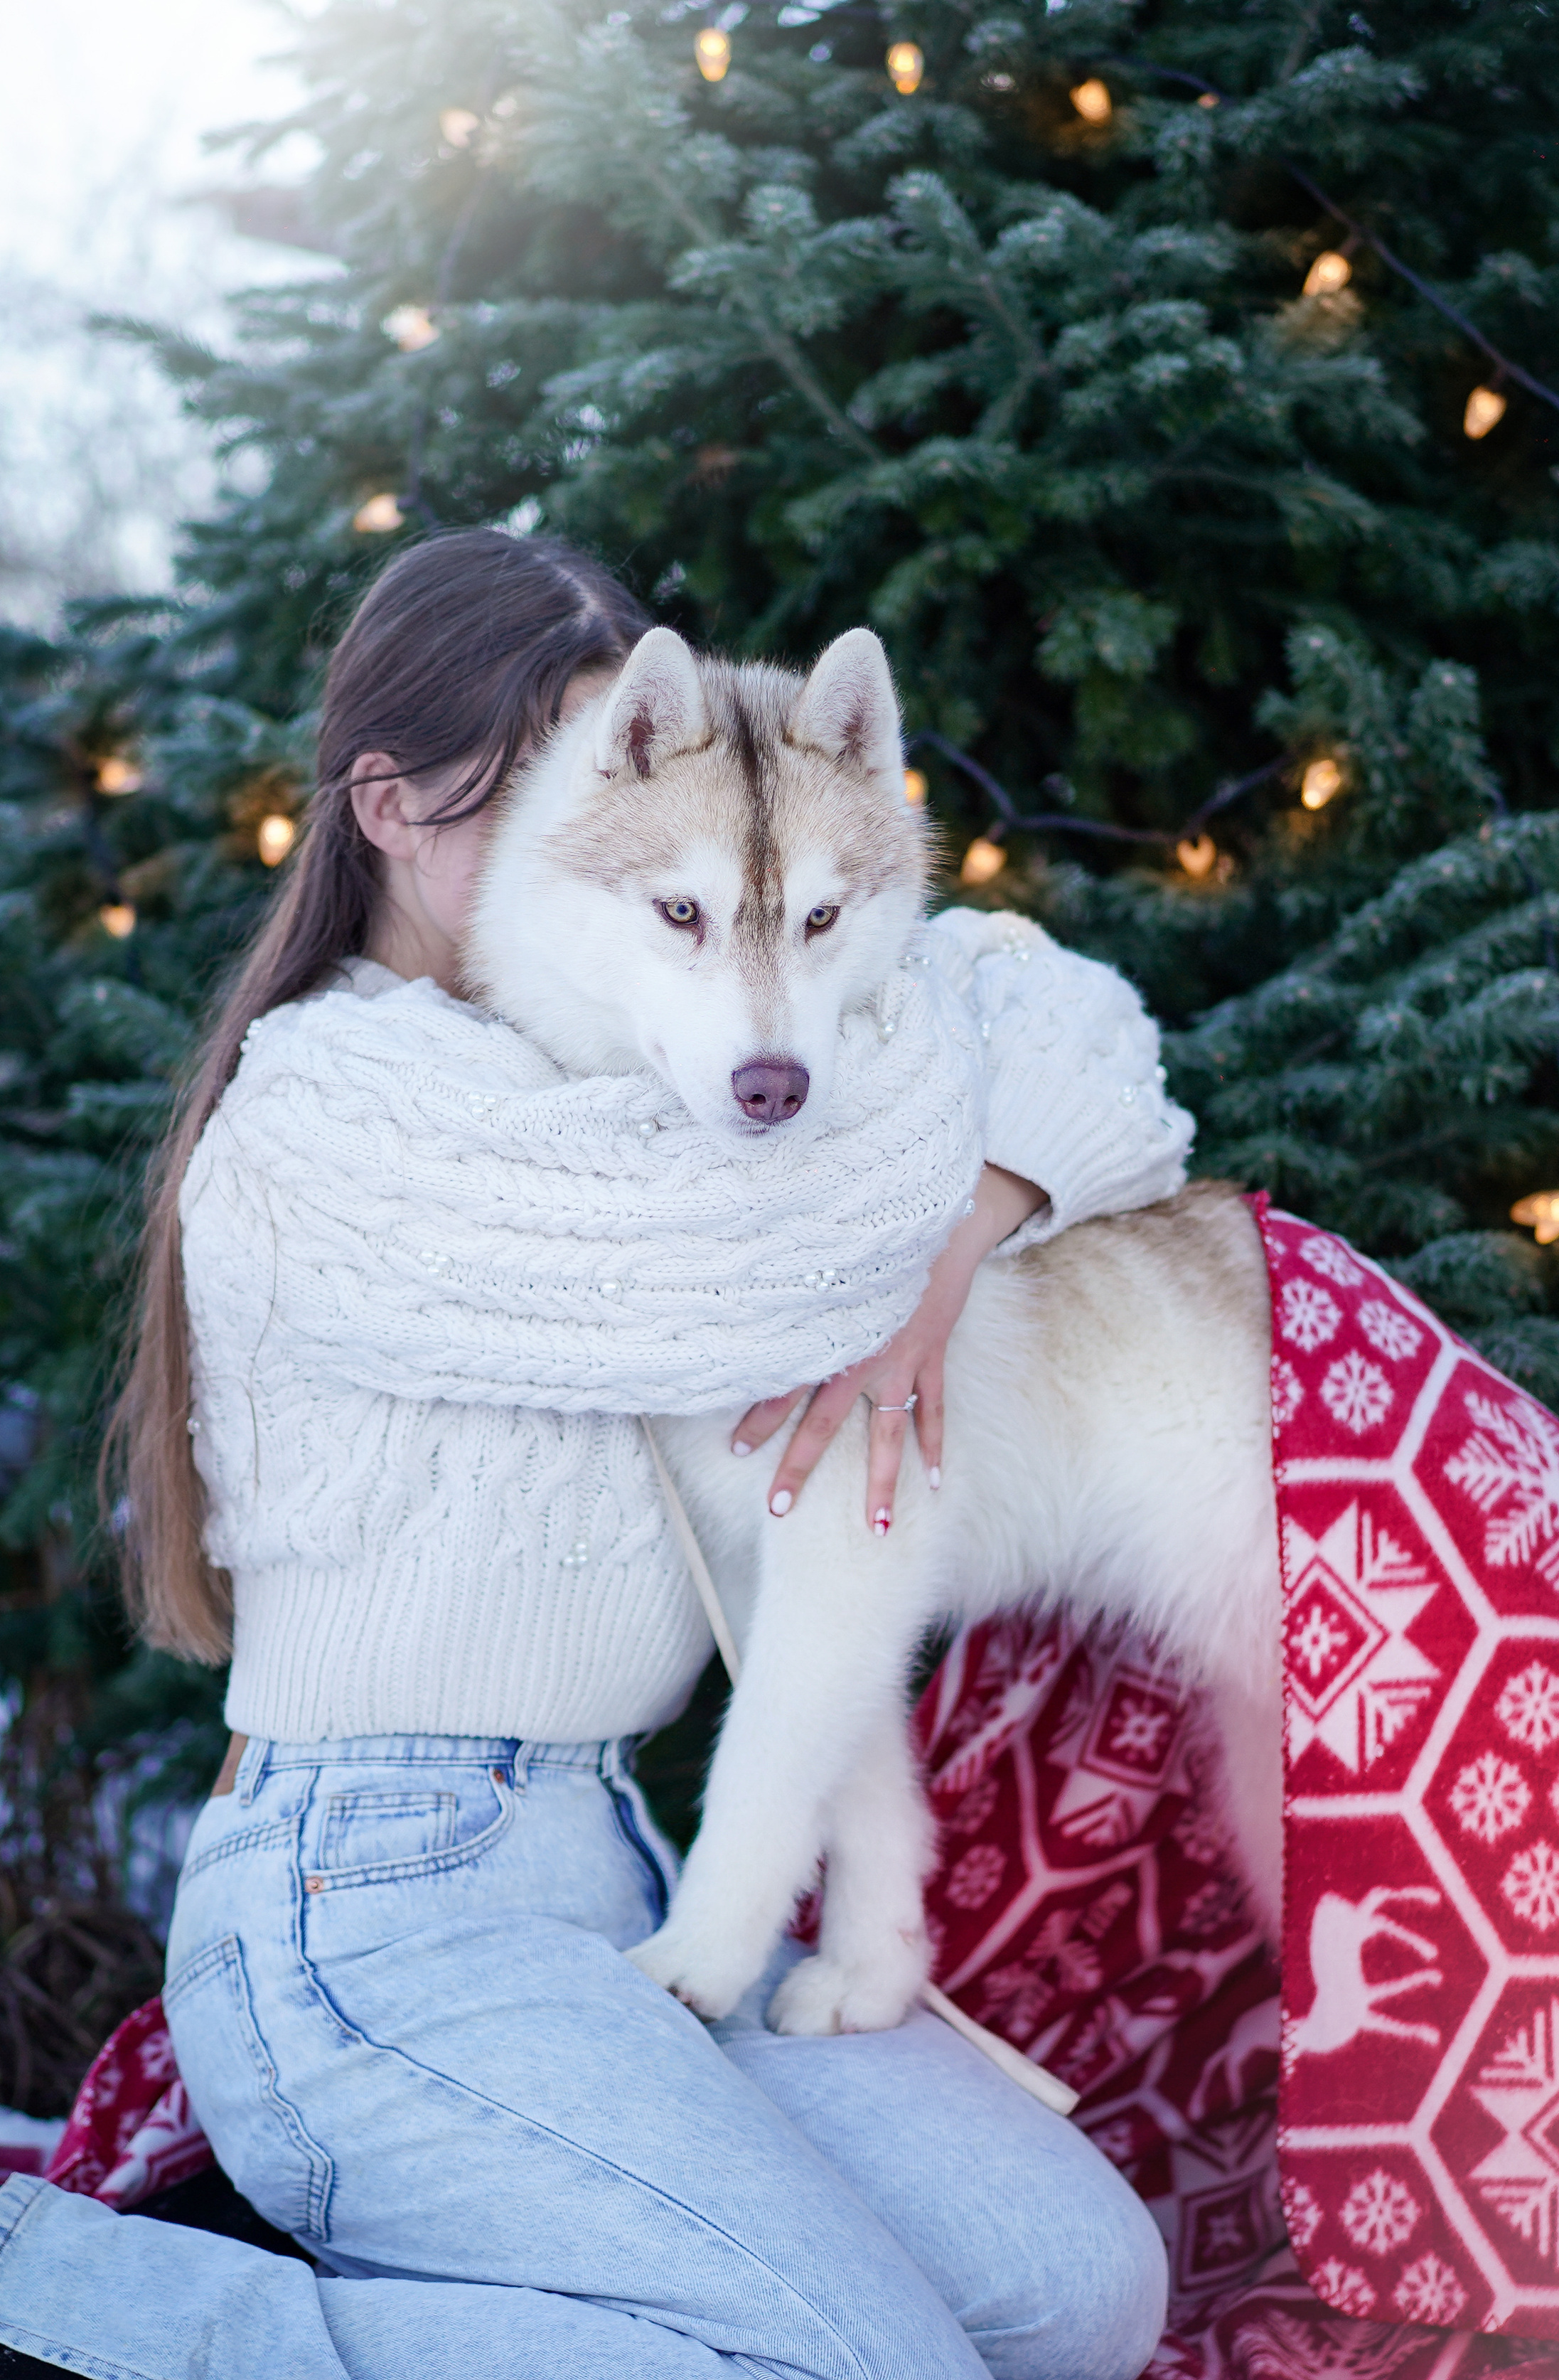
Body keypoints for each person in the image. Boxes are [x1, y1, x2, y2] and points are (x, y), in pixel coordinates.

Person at [0, 530, 1192, 2380]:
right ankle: (81, 2300)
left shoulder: (635, 1033)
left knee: (1076, 2291)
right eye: (572, 782)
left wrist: (957, 1246)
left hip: (615, 1863)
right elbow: (759, 1261)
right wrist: (907, 1100)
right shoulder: (344, 1105)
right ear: (387, 806)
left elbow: (1082, 1027)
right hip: (363, 1908)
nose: (615, 832)